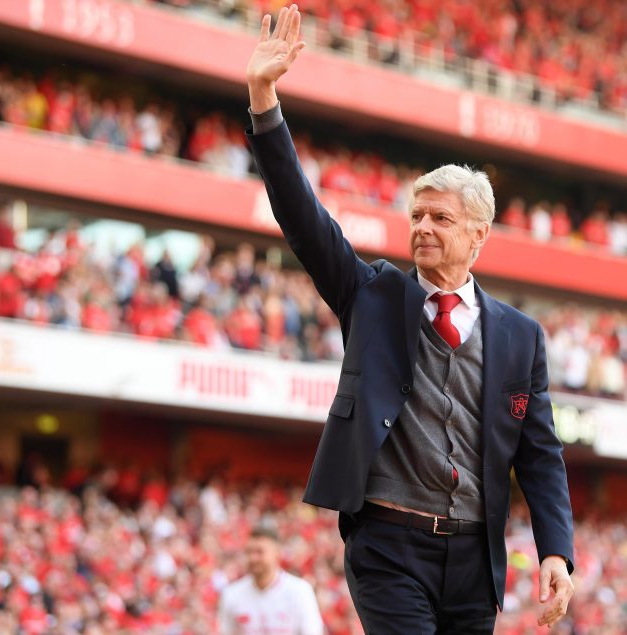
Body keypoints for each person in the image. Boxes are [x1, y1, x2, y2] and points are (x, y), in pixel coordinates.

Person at [244, 6, 575, 633]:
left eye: (441, 219)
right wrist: (264, 99)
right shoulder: (370, 293)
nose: (422, 227)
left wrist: (555, 549)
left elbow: (540, 454)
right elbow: (301, 215)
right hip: (388, 546)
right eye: (417, 215)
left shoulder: (521, 337)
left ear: (478, 235)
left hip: (476, 560)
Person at [217, 526, 324, 635]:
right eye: (249, 552)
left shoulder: (300, 591)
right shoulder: (231, 593)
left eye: (260, 552)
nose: (253, 558)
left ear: (276, 553)